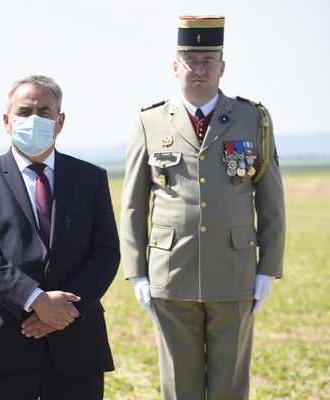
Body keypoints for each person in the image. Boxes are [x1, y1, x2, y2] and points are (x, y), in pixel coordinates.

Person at [120, 15, 286, 400]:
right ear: (175, 65)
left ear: (222, 67)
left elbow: (272, 200)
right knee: (179, 386)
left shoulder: (252, 118)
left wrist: (268, 268)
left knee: (230, 385)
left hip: (234, 271)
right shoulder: (150, 120)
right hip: (171, 273)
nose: (199, 69)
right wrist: (137, 272)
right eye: (190, 60)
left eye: (208, 60)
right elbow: (132, 203)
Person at [0, 75, 120, 400]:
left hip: (76, 345)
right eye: (24, 111)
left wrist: (63, 310)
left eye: (44, 112)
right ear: (7, 121)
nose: (34, 120)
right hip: (4, 344)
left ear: (60, 122)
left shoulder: (90, 178)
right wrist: (38, 302)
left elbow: (106, 252)